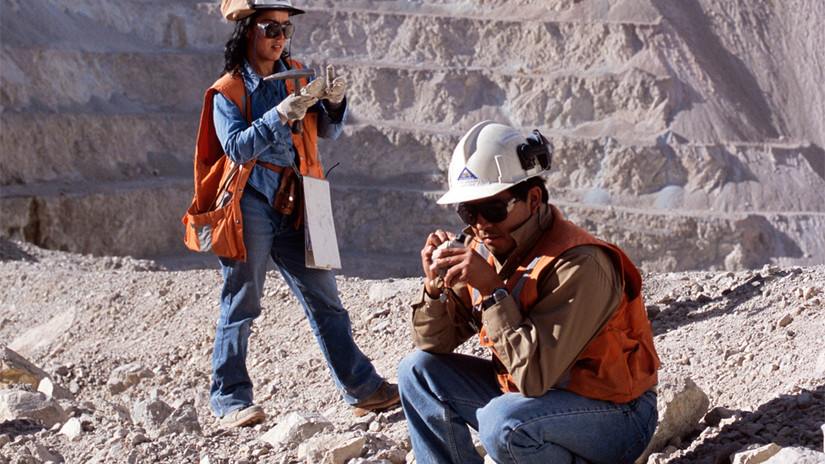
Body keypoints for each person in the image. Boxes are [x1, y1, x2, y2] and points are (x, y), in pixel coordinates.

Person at [398, 121, 660, 464]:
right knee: (417, 372)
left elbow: (534, 378)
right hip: (533, 400)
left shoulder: (580, 264)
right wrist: (435, 288)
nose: (480, 224)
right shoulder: (483, 248)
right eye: (469, 212)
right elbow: (432, 343)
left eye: (493, 209)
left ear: (533, 199)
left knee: (503, 425)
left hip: (616, 415)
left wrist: (492, 291)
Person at [194, 0, 399, 428]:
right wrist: (279, 115)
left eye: (285, 30)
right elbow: (237, 148)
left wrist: (335, 104)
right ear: (248, 32)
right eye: (271, 29)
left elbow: (327, 130)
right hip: (250, 202)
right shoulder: (227, 92)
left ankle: (362, 389)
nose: (280, 38)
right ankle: (230, 399)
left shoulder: (298, 74)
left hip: (298, 198)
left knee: (326, 299)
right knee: (242, 301)